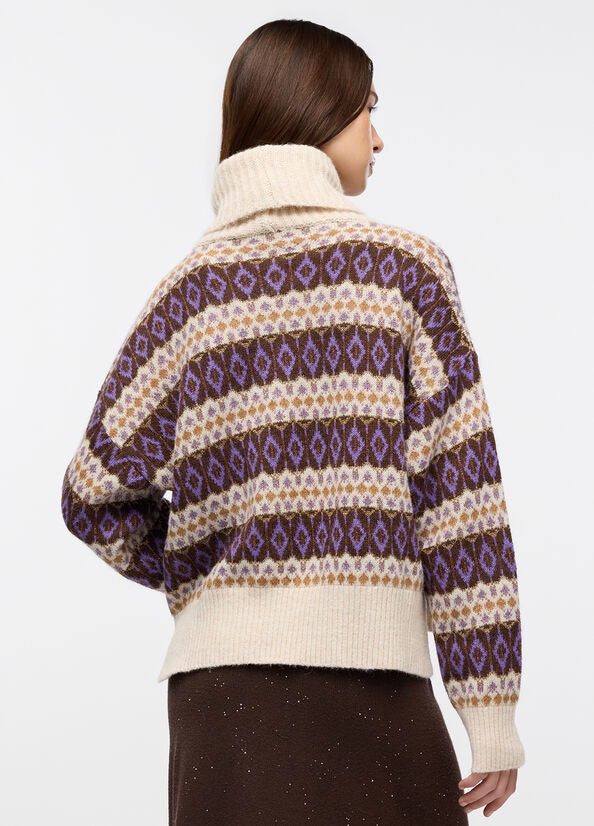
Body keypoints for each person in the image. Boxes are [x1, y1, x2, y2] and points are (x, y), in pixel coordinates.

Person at [60, 18, 525, 825]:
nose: (378, 138)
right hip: (371, 685)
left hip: (218, 699)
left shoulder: (188, 295)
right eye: (367, 110)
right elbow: (461, 502)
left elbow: (90, 493)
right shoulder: (404, 273)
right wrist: (490, 710)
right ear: (317, 112)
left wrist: (209, 576)